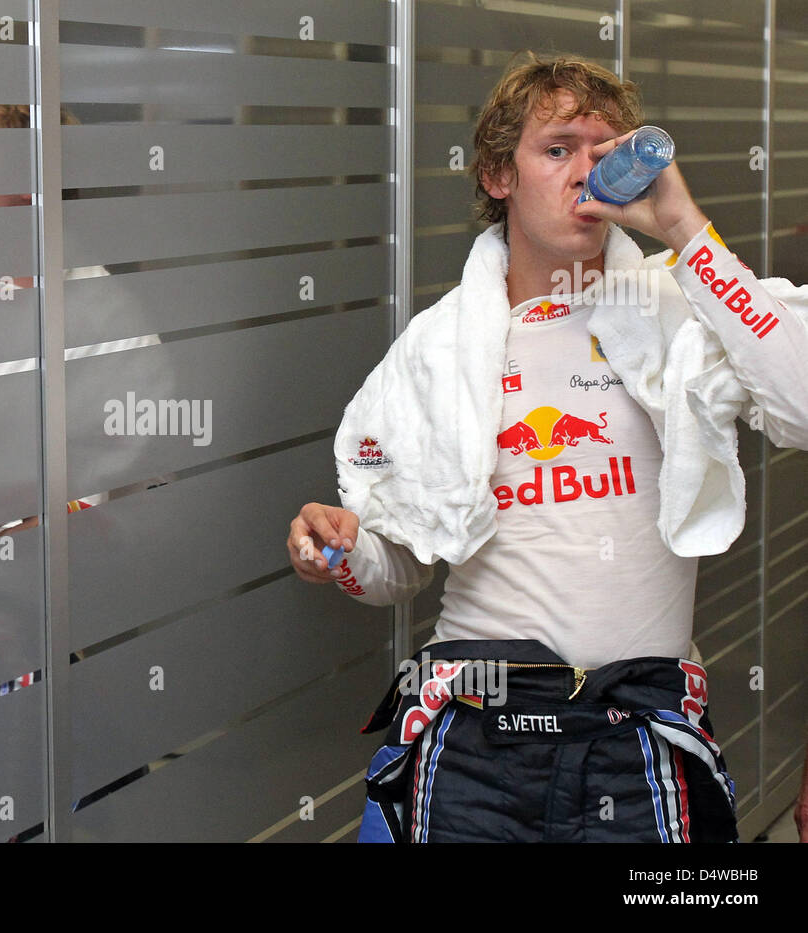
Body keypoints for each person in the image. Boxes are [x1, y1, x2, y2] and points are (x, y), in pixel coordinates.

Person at [286, 53, 808, 842]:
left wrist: (683, 229)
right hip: (472, 739)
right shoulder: (437, 348)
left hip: (637, 736)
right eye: (557, 148)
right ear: (500, 174)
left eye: (603, 152)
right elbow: (397, 566)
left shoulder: (677, 312)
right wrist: (342, 552)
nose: (584, 173)